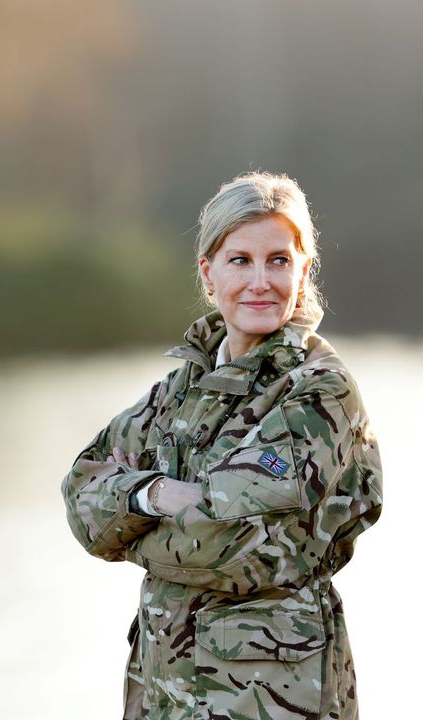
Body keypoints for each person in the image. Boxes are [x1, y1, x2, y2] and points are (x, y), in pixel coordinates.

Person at [61, 171, 383, 720]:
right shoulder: (181, 390)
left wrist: (132, 530)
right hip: (165, 696)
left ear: (303, 272)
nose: (261, 280)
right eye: (240, 260)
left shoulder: (319, 391)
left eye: (279, 260)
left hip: (272, 698)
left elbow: (228, 545)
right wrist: (159, 495)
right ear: (208, 274)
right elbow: (81, 498)